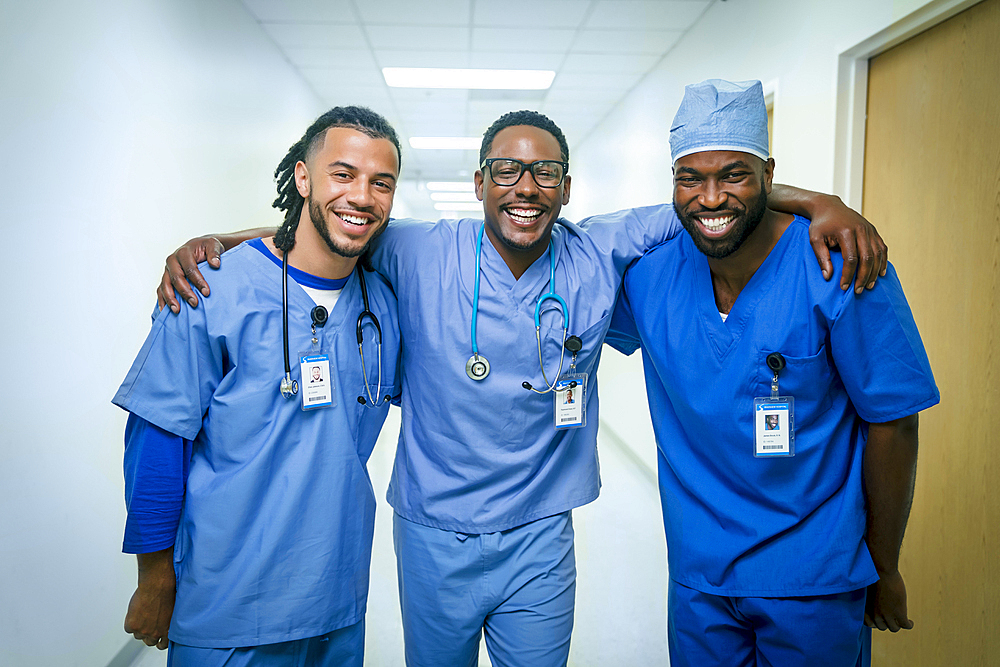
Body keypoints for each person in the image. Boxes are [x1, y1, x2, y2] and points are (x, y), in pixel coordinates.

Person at [156, 108, 887, 667]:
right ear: (479, 183)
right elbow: (327, 231)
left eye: (545, 174)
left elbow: (713, 199)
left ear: (568, 187)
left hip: (541, 534)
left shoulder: (601, 247)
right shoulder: (419, 250)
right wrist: (220, 242)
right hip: (435, 533)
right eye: (506, 170)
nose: (526, 188)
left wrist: (821, 201)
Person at [606, 79, 939, 666]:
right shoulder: (650, 276)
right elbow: (559, 247)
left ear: (768, 174)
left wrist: (884, 565)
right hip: (700, 577)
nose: (710, 198)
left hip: (816, 576)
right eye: (691, 177)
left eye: (735, 174)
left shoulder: (843, 266)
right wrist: (813, 197)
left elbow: (894, 423)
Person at [113, 106, 403, 666]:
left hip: (335, 603)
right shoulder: (211, 288)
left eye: (381, 183)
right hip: (227, 605)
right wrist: (154, 581)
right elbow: (156, 439)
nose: (362, 196)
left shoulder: (383, 304)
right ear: (302, 177)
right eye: (342, 174)